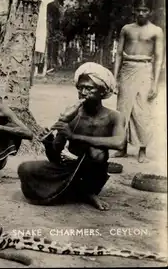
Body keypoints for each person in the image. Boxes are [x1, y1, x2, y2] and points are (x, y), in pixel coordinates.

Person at [18, 62, 126, 211]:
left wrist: (74, 136)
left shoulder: (114, 116)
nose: (83, 92)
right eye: (80, 88)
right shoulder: (72, 116)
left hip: (92, 173)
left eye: (88, 88)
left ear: (102, 91)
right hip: (68, 168)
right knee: (25, 168)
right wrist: (48, 143)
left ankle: (89, 192)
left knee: (97, 153)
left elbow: (119, 143)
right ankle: (76, 192)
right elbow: (55, 157)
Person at [113, 0, 165, 163]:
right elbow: (119, 54)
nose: (141, 13)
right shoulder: (126, 29)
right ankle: (122, 147)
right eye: (139, 10)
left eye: (145, 10)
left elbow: (158, 58)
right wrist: (115, 78)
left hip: (145, 70)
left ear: (150, 12)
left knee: (143, 111)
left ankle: (142, 149)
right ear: (134, 11)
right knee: (122, 109)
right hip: (127, 69)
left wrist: (155, 84)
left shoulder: (156, 31)